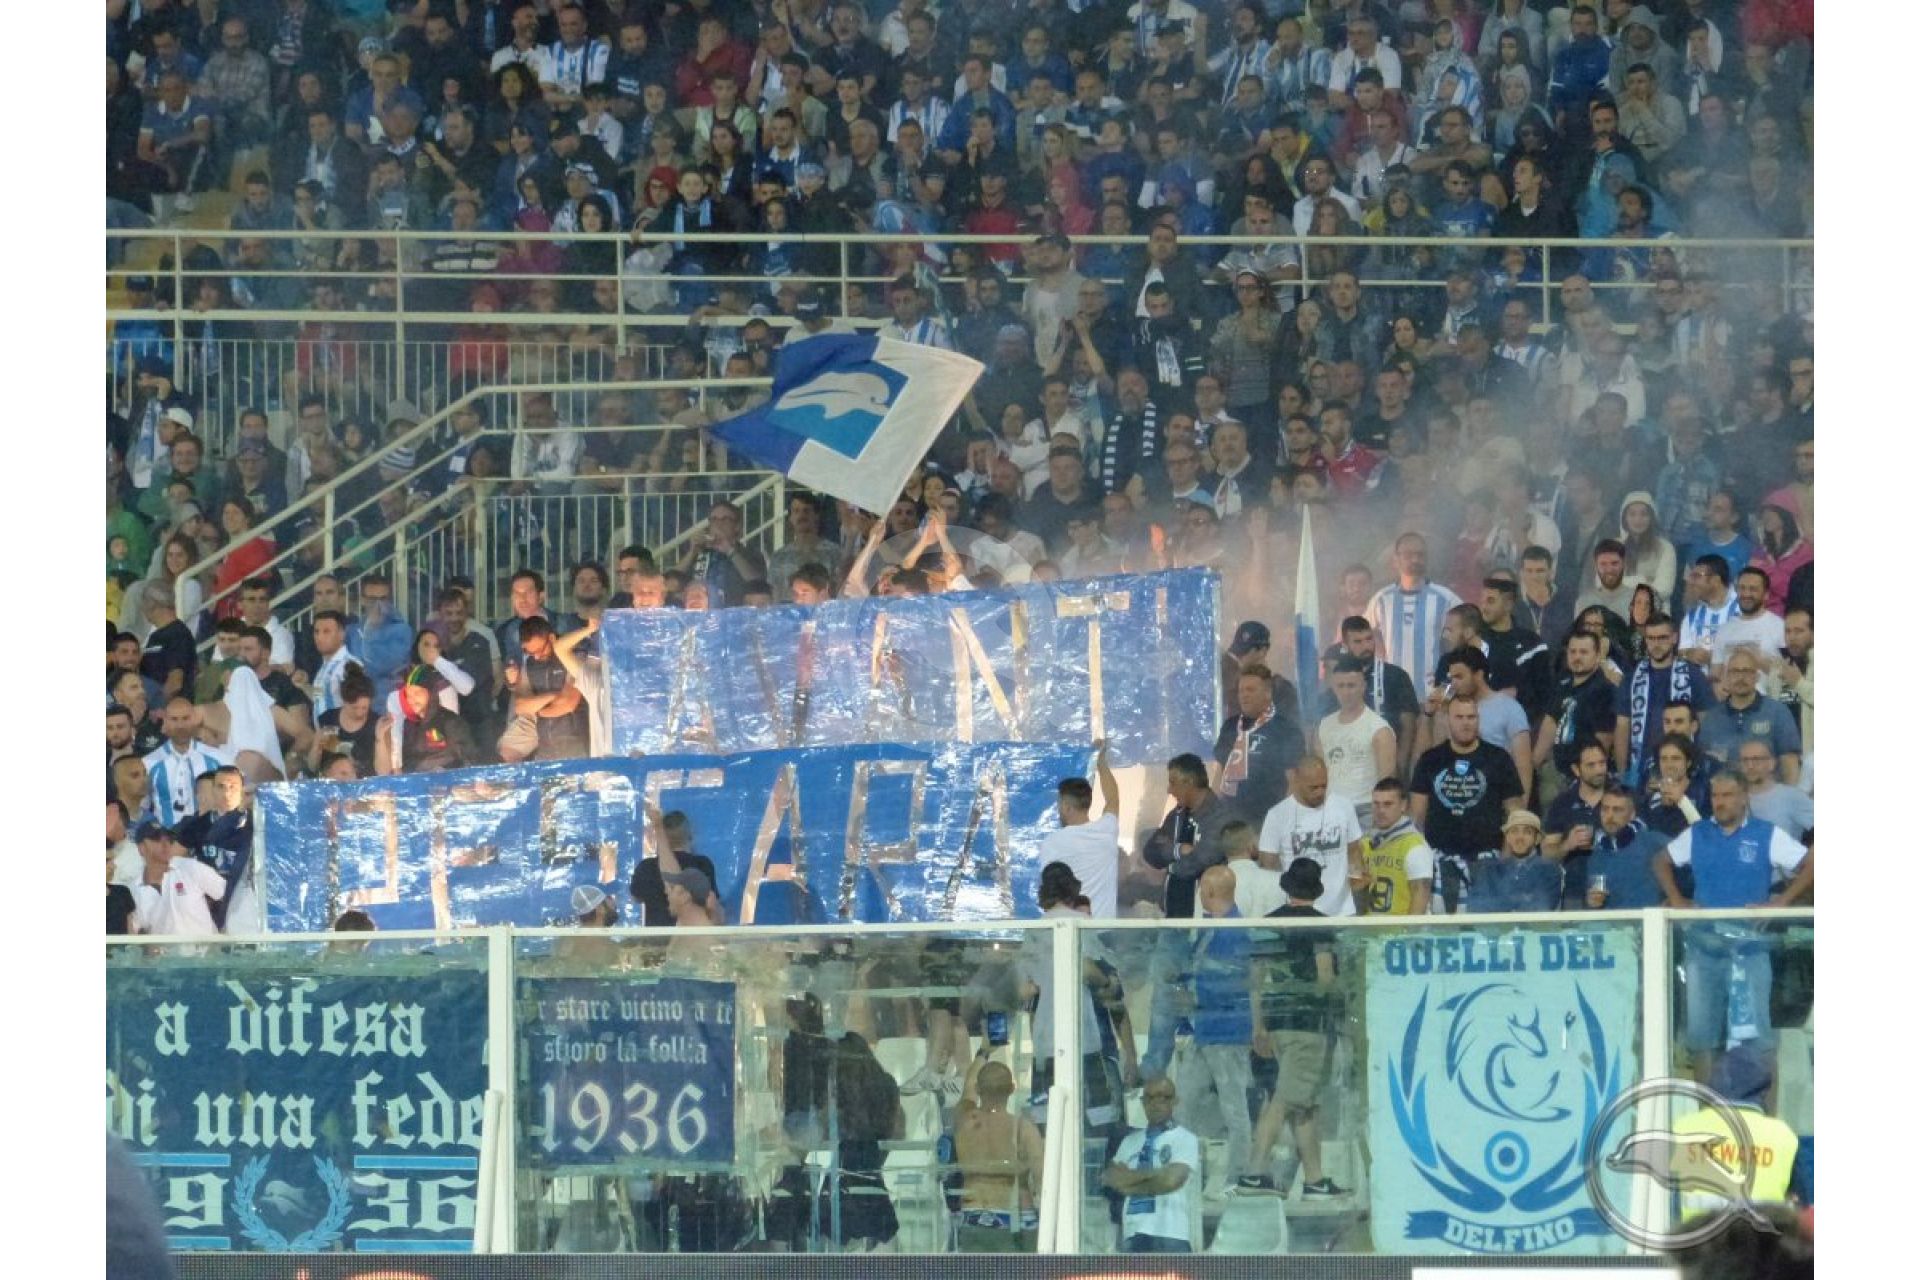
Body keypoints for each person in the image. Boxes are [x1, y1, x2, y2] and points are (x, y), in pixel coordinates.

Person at [1654, 772, 1813, 1080]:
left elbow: (1811, 864)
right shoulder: (1698, 833)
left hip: (1750, 949)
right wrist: (1677, 899)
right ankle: (1707, 1109)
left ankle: (1762, 1110)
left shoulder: (1765, 834)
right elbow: (1660, 861)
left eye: (1727, 795)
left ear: (1743, 798)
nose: (1720, 802)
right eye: (1715, 796)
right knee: (1703, 1039)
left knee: (1759, 1040)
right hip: (1703, 950)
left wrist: (1782, 902)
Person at [1246, 859, 1348, 1197]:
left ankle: (1315, 1179)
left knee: (1304, 1103)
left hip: (1276, 1023)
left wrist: (1258, 1026)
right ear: (1316, 890)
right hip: (1309, 1025)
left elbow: (1256, 981)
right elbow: (1325, 977)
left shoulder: (1267, 925)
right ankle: (1255, 1172)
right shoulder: (1321, 927)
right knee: (1286, 1101)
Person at [1172, 865, 1263, 1199]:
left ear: (1209, 892)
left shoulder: (1235, 932)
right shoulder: (1207, 930)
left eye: (1201, 890)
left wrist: (1196, 995)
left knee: (1234, 1108)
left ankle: (1237, 1178)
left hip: (1227, 1032)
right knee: (1182, 1104)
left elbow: (1242, 982)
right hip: (1203, 1031)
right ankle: (1182, 1175)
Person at [1411, 697, 1526, 912]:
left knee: (1486, 927)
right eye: (1459, 717)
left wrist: (1505, 861)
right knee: (1442, 927)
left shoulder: (1499, 758)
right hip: (1439, 861)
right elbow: (1417, 819)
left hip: (1488, 860)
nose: (1466, 723)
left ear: (1478, 720)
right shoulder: (1430, 759)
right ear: (1448, 720)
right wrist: (1421, 863)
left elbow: (1516, 816)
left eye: (1471, 717)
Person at [951, 1056, 1045, 1252]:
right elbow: (1041, 1179)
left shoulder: (964, 1124)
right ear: (1012, 1089)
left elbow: (967, 1093)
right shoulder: (1023, 1128)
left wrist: (983, 1052)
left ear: (978, 1089)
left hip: (972, 1216)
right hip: (1014, 1217)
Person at [1257, 756, 1369, 917]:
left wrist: (1357, 885)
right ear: (1297, 780)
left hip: (1341, 911)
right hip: (1298, 911)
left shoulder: (1343, 806)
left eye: (1324, 786)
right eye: (1313, 787)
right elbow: (1268, 867)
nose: (1320, 792)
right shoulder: (1277, 815)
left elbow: (1354, 851)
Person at [1103, 1076, 1202, 1254]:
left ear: (1175, 1101)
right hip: (1133, 1234)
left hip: (1172, 1235)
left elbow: (1171, 1181)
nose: (1156, 1103)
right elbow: (1110, 1178)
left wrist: (1130, 1184)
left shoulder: (1185, 1139)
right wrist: (1158, 1173)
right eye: (1150, 1098)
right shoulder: (1129, 1142)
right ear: (1142, 1102)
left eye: (1163, 1097)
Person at [1614, 612, 1713, 786]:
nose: (1656, 644)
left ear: (1674, 638)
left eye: (1662, 638)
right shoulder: (1631, 678)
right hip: (1641, 771)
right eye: (1651, 638)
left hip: (1685, 771)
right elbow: (1622, 727)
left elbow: (1705, 724)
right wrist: (1623, 774)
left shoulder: (1694, 675)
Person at [1365, 533, 1463, 697]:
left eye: (1420, 555)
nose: (1415, 560)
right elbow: (1366, 634)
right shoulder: (1381, 600)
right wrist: (1380, 660)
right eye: (1408, 555)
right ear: (1396, 559)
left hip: (1434, 695)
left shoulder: (1447, 599)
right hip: (1392, 695)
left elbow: (1468, 638)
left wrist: (1448, 689)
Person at [1140, 753, 1233, 919]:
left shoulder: (1219, 817)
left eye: (1173, 783)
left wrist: (1170, 867)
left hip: (1204, 919)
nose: (1169, 790)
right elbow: (1150, 852)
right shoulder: (1176, 815)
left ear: (1189, 782)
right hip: (1171, 915)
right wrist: (1178, 850)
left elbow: (1200, 862)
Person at [1039, 741, 1123, 917]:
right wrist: (1101, 762)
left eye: (1059, 804)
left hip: (1070, 929)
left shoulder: (1052, 843)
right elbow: (1113, 799)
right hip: (1104, 928)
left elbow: (1049, 894)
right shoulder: (1106, 831)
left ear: (1067, 807)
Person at [1696, 646, 1802, 785]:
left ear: (1757, 677)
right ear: (1726, 677)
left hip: (1768, 794)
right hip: (1726, 795)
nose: (1741, 677)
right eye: (1735, 672)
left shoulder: (1778, 712)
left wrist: (1791, 795)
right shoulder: (1712, 718)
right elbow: (1705, 765)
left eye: (1746, 671)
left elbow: (1790, 763)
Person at [1213, 662, 1303, 825]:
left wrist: (1282, 821)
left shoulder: (1285, 729)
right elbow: (1219, 774)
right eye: (1241, 690)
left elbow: (1294, 781)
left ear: (1267, 693)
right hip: (1231, 822)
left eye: (1250, 690)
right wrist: (1214, 814)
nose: (1244, 695)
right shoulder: (1230, 727)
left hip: (1269, 819)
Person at [1315, 658, 1395, 823]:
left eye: (1351, 685)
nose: (1346, 692)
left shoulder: (1379, 729)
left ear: (1363, 686)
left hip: (1365, 811)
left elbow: (1387, 783)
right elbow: (1320, 776)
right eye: (1341, 686)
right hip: (1329, 811)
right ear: (1333, 687)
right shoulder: (1324, 726)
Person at [1582, 785, 1670, 910]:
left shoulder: (1655, 842)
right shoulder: (1596, 856)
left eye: (1617, 810)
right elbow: (1595, 906)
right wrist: (1591, 903)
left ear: (1632, 814)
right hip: (1611, 921)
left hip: (1650, 921)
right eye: (1605, 809)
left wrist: (1675, 900)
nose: (1610, 816)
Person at [133, 822, 227, 938]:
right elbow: (135, 934)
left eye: (169, 840)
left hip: (207, 948)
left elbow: (228, 895)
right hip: (166, 950)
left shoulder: (191, 868)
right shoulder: (133, 891)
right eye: (156, 839)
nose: (165, 844)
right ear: (141, 848)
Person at [630, 809, 720, 929]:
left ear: (662, 838)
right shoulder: (702, 864)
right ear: (690, 834)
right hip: (692, 934)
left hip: (655, 937)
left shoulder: (645, 867)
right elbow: (711, 903)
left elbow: (636, 897)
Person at [1361, 778, 1434, 916]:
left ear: (1403, 805)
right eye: (1376, 804)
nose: (1380, 810)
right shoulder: (1367, 843)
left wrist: (1409, 930)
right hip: (1371, 926)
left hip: (1401, 927)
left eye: (1388, 804)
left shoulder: (1415, 846)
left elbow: (1420, 896)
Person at [1465, 810, 1562, 913]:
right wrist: (1522, 899)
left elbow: (1541, 907)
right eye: (1514, 831)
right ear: (1507, 837)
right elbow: (1476, 907)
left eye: (1527, 832)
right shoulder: (1491, 870)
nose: (1520, 837)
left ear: (1537, 838)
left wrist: (1500, 901)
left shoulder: (1549, 871)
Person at [1737, 740, 1813, 842]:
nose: (1750, 766)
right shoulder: (1731, 798)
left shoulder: (1791, 796)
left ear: (1771, 763)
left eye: (1756, 760)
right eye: (1745, 760)